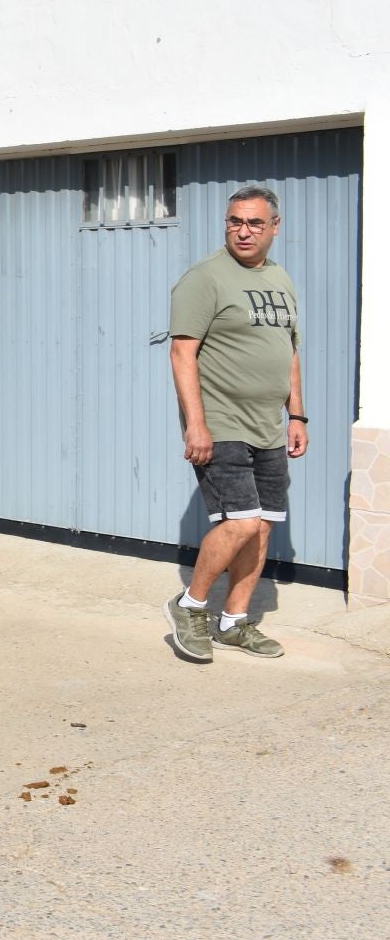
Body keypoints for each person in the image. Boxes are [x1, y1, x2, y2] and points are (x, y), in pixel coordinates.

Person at [163, 186, 304, 663]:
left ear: (274, 227)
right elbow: (183, 353)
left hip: (268, 425)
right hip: (221, 422)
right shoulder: (205, 279)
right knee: (240, 523)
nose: (243, 231)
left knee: (262, 527)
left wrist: (296, 414)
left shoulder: (281, 279)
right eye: (235, 222)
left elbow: (289, 352)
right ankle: (190, 605)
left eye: (254, 223)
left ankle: (233, 623)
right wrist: (195, 425)